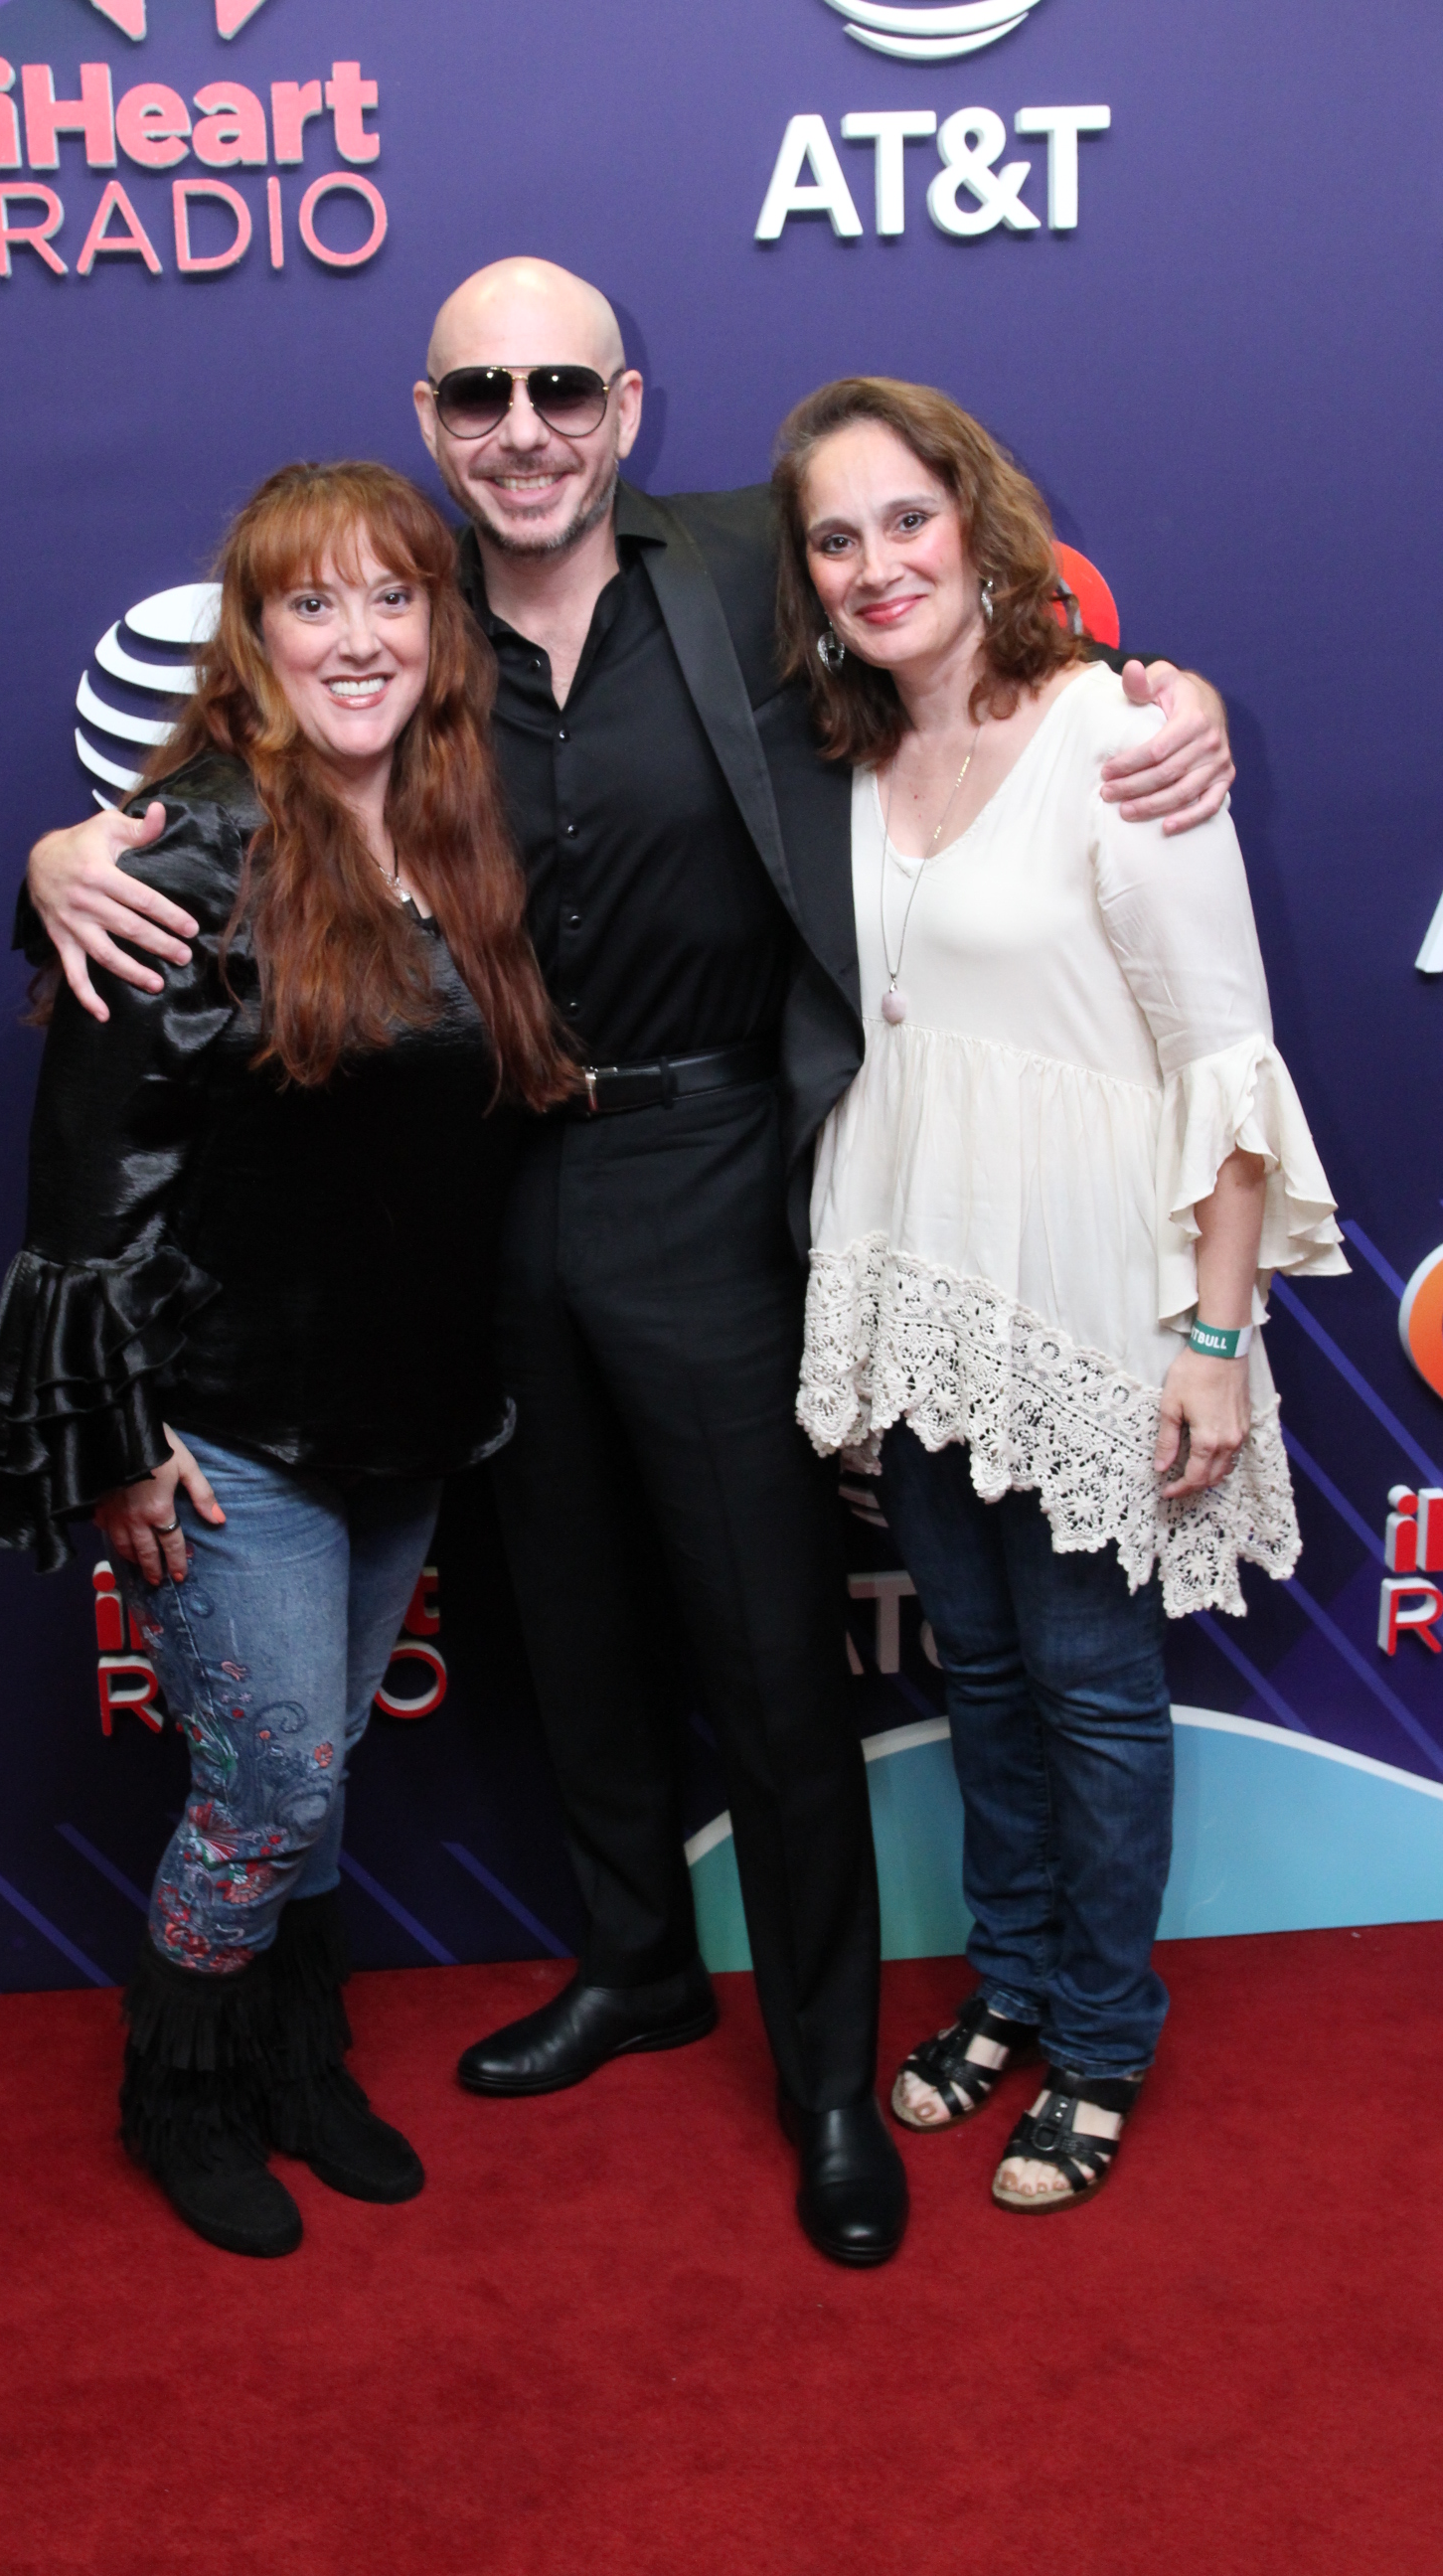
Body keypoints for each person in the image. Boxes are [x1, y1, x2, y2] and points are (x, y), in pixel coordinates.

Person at [16, 260, 1236, 2267]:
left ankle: (826, 2077)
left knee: (770, 1654)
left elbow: (966, 622)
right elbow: (228, 803)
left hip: (715, 1170)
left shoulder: (753, 561)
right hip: (492, 1184)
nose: (524, 428)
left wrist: (1162, 693)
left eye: (562, 388)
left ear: (627, 406)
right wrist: (59, 855)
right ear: (431, 419)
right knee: (570, 1627)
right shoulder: (403, 615)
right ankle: (637, 1965)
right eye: (480, 392)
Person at [0, 458, 577, 2258]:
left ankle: (299, 2065)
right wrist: (118, 1441)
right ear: (253, 639)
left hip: (411, 1423)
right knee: (271, 1789)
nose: (358, 637)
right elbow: (89, 1179)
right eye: (314, 603)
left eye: (393, 596)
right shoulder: (179, 854)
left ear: (440, 627)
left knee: (313, 1780)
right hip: (226, 1438)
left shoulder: (461, 835)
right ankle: (181, 2094)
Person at [760, 375, 1345, 2210]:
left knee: (1092, 1691)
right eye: (835, 538)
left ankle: (1100, 2036)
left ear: (978, 523)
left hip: (1096, 1310)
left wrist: (1216, 1337)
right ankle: (1010, 1983)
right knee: (989, 1675)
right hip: (930, 1300)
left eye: (905, 520)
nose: (876, 564)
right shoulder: (844, 760)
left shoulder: (1123, 736)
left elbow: (1223, 1058)